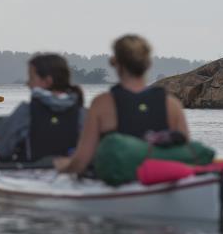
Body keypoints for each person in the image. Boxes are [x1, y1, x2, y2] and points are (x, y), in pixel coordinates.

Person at [54, 34, 189, 174]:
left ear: (115, 63)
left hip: (119, 182)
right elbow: (187, 155)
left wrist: (62, 167)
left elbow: (81, 162)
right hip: (158, 180)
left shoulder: (101, 104)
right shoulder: (172, 104)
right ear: (148, 64)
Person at [0, 53, 85, 162]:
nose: (28, 83)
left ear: (47, 81)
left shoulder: (25, 112)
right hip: (69, 172)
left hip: (29, 171)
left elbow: (3, 151)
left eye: (31, 78)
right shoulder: (84, 113)